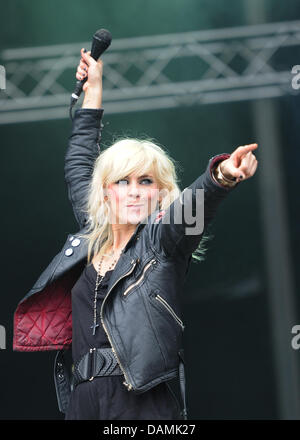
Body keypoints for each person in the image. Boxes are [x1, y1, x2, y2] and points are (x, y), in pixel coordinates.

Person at [13, 48, 258, 420]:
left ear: (160, 194)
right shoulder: (91, 233)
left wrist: (221, 177)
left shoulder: (165, 243)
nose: (133, 190)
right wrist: (93, 91)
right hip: (82, 402)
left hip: (141, 400)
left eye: (145, 181)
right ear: (106, 191)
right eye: (122, 181)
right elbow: (79, 159)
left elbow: (197, 205)